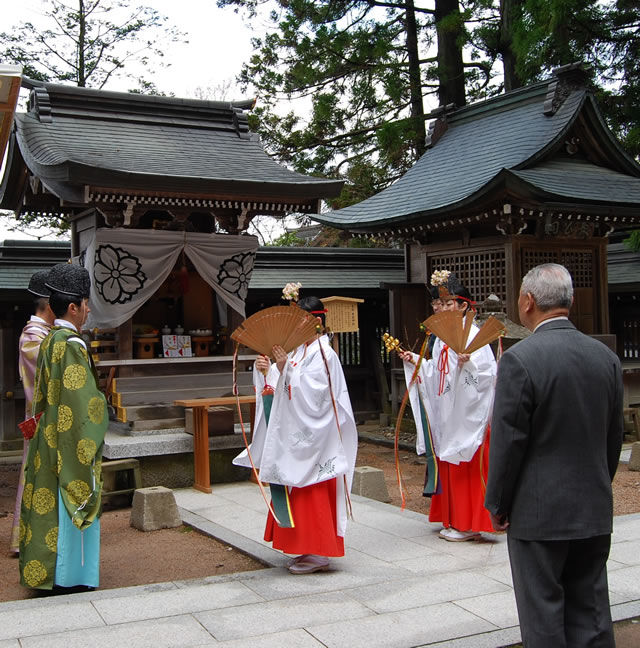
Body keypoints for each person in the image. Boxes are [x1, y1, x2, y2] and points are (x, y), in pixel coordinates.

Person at [484, 263, 624, 648]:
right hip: (592, 504)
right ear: (571, 301)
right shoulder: (606, 358)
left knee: (543, 612)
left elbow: (509, 441)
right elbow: (613, 438)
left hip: (538, 510)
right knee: (592, 609)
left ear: (527, 301)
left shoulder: (520, 360)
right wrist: (599, 481)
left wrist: (498, 502)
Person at [233, 295, 358, 574]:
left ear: (316, 321)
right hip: (297, 433)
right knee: (295, 484)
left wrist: (284, 368)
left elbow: (318, 395)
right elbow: (285, 385)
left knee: (312, 485)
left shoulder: (326, 354)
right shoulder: (300, 351)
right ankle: (303, 546)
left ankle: (320, 550)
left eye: (300, 319)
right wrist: (268, 372)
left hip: (317, 437)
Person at [19, 263, 108, 592]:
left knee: (50, 508)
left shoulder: (49, 340)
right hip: (68, 441)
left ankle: (52, 572)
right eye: (85, 303)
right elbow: (82, 404)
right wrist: (101, 407)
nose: (87, 310)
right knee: (72, 500)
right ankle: (72, 576)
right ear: (73, 307)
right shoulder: (72, 344)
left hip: (47, 437)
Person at [399, 271, 496, 541]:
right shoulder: (441, 339)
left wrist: (469, 364)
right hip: (448, 410)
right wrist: (417, 363)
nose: (441, 308)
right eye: (438, 305)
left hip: (468, 414)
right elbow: (437, 374)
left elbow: (488, 375)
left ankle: (469, 523)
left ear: (464, 305)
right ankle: (455, 518)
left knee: (466, 464)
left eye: (448, 303)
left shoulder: (475, 335)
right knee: (450, 462)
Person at [10, 271, 55, 555]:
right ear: (50, 305)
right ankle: (27, 538)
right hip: (40, 418)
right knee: (35, 476)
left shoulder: (45, 335)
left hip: (48, 418)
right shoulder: (33, 337)